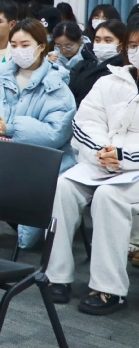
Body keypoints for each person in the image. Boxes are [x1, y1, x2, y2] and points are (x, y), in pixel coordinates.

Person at [45, 17, 139, 315]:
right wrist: (102, 150)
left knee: (109, 198)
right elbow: (85, 121)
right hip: (102, 161)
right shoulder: (110, 81)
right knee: (64, 186)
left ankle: (108, 288)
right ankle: (56, 276)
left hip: (135, 169)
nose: (136, 52)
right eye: (133, 45)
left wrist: (124, 156)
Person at [0, 18, 76, 248]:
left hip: (37, 159)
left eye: (25, 45)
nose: (18, 51)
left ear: (41, 47)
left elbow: (55, 133)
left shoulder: (56, 86)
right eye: (14, 45)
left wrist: (9, 128)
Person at [69, 20, 127, 106]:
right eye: (97, 40)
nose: (101, 44)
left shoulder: (124, 70)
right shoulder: (81, 67)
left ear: (121, 45)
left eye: (108, 40)